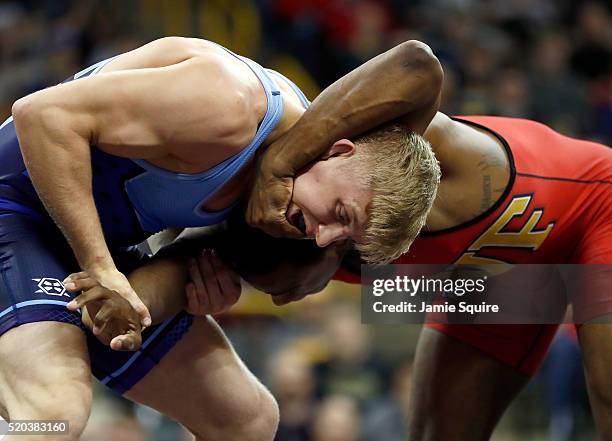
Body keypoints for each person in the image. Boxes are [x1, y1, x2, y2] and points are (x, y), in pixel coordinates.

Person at [0, 36, 439, 440]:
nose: (323, 236)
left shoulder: (283, 195)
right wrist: (100, 266)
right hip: (15, 206)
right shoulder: (227, 103)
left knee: (246, 421)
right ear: (338, 150)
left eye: (344, 236)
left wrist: (197, 288)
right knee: (52, 413)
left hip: (95, 244)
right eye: (341, 214)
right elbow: (40, 115)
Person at [245, 40, 612, 439]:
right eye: (288, 294)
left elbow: (417, 63)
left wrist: (277, 165)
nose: (320, 236)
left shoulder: (384, 162)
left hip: (595, 205)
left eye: (315, 223)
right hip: (489, 277)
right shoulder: (351, 245)